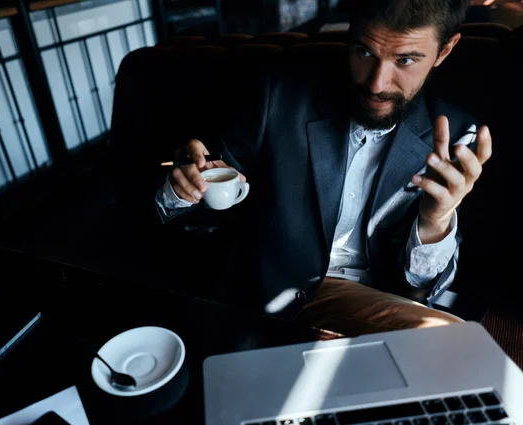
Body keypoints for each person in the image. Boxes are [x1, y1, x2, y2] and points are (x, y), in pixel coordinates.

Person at [153, 0, 493, 337]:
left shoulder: (455, 135)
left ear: (445, 50)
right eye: (364, 52)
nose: (377, 83)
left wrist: (435, 222)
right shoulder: (278, 97)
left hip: (381, 303)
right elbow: (201, 206)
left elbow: (426, 288)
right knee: (449, 339)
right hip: (279, 297)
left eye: (404, 60)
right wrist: (182, 189)